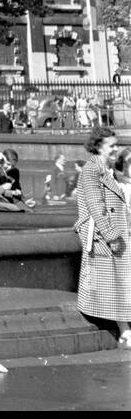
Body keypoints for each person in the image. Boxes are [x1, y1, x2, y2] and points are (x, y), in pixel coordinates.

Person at [74, 127, 131, 345]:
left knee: (120, 283)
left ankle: (125, 329)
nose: (116, 149)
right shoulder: (91, 171)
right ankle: (124, 330)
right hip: (102, 236)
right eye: (112, 146)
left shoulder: (106, 170)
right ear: (98, 146)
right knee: (113, 284)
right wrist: (112, 236)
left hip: (116, 233)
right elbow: (96, 207)